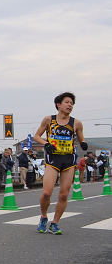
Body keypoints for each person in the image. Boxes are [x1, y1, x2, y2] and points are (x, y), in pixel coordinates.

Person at [33, 92, 86, 235]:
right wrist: (46, 143)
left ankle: (55, 223)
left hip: (68, 161)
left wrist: (83, 144)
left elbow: (81, 139)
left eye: (72, 103)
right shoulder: (49, 120)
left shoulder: (76, 123)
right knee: (46, 193)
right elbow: (36, 136)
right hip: (53, 160)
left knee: (63, 195)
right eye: (67, 102)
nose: (70, 105)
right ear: (59, 105)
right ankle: (43, 217)